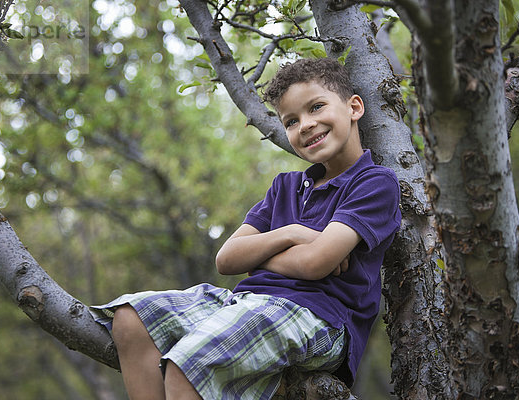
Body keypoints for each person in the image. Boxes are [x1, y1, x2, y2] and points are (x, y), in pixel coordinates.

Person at [90, 57, 402, 400]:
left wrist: (259, 256)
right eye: (292, 121)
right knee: (131, 317)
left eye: (316, 107)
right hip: (247, 302)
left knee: (191, 363)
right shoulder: (286, 187)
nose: (307, 125)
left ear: (354, 107)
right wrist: (291, 234)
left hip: (319, 317)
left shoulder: (373, 183)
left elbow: (316, 263)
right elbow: (227, 259)